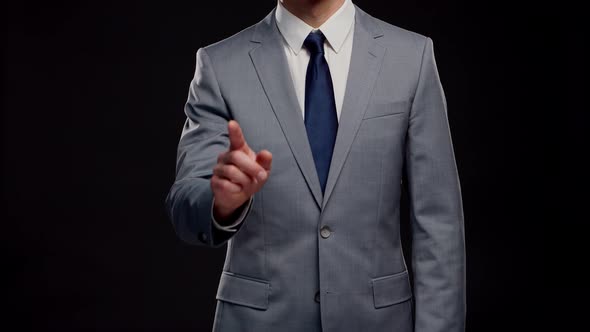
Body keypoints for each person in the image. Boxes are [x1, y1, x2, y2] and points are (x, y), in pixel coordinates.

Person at [164, 0, 465, 331]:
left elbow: (439, 222)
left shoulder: (412, 57)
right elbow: (184, 202)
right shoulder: (219, 65)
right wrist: (220, 203)